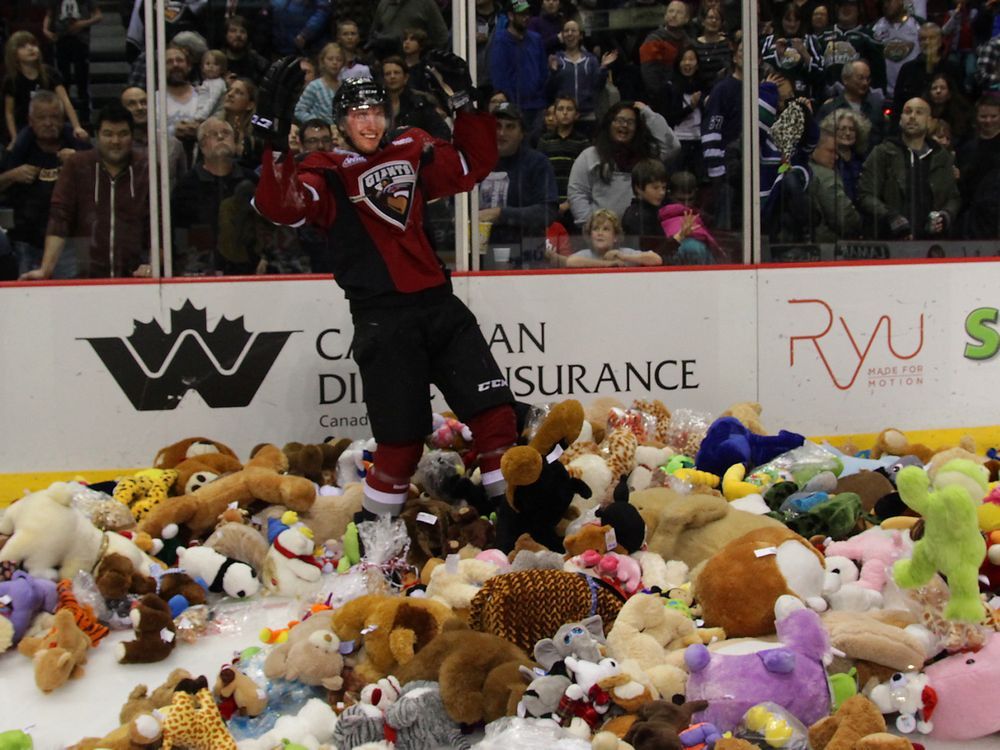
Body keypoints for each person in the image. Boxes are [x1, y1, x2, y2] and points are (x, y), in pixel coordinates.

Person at [253, 67, 519, 530]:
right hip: (383, 321)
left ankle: (513, 522)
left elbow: (470, 166)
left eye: (377, 111)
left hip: (440, 306)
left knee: (497, 418)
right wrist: (274, 141)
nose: (370, 123)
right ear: (341, 122)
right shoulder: (325, 171)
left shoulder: (411, 148)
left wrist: (467, 110)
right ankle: (378, 543)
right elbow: (283, 206)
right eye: (359, 114)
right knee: (400, 444)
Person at [20, 103, 150, 279]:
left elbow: (159, 224)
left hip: (135, 276)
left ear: (132, 136)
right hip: (84, 275)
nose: (115, 141)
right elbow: (60, 218)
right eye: (108, 134)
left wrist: (152, 264)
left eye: (123, 134)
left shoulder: (146, 167)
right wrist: (46, 269)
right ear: (97, 136)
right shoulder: (77, 165)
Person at [0, 90, 90, 278]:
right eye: (42, 118)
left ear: (63, 118)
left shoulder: (79, 146)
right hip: (26, 242)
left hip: (70, 243)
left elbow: (103, 181)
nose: (48, 123)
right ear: (30, 120)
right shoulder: (17, 150)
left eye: (54, 117)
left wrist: (78, 162)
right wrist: (12, 176)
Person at [858, 96, 960, 239]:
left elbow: (953, 198)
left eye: (919, 112)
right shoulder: (883, 152)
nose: (912, 117)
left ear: (929, 121)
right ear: (900, 119)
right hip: (890, 240)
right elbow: (865, 195)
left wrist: (945, 216)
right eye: (907, 112)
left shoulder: (941, 157)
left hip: (932, 245)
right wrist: (891, 217)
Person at [567, 101, 679, 227]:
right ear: (609, 123)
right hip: (601, 236)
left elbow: (672, 147)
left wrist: (648, 113)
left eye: (630, 122)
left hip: (639, 231)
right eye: (619, 120)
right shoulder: (589, 156)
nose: (624, 125)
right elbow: (577, 192)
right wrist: (590, 226)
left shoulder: (647, 156)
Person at [173, 118, 259, 274]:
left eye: (226, 133)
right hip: (201, 274)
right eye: (212, 134)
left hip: (249, 272)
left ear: (235, 141)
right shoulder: (186, 186)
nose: (220, 137)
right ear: (202, 146)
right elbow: (178, 234)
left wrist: (265, 259)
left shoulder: (252, 180)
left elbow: (267, 228)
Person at [478, 102, 559, 265]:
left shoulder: (537, 163)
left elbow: (547, 212)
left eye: (510, 127)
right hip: (478, 259)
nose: (502, 133)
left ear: (522, 133)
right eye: (497, 126)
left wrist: (500, 214)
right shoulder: (475, 163)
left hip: (527, 259)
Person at [3, 31, 88, 146]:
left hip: (53, 123)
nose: (30, 49)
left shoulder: (50, 73)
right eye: (23, 46)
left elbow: (66, 102)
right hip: (26, 126)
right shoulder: (12, 80)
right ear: (14, 54)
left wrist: (77, 127)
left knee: (81, 142)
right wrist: (14, 137)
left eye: (33, 45)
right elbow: (9, 113)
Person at [545, 18, 616, 134]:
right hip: (564, 116)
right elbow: (549, 90)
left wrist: (603, 68)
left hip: (587, 115)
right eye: (566, 31)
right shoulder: (556, 59)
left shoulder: (591, 60)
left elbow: (597, 86)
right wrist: (553, 73)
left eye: (573, 30)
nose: (570, 34)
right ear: (562, 36)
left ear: (580, 35)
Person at [490, 0, 549, 133]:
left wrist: (540, 95)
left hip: (537, 106)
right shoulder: (501, 41)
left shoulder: (536, 39)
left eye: (528, 14)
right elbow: (499, 77)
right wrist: (510, 103)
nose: (526, 17)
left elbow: (543, 71)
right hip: (514, 108)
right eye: (521, 14)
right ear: (511, 15)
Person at [43, 0, 102, 125]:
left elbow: (98, 15)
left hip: (80, 41)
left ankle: (85, 116)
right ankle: (64, 114)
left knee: (82, 79)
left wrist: (83, 24)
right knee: (63, 79)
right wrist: (46, 30)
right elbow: (49, 14)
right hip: (61, 39)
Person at [892, 23, 961, 128]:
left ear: (940, 40)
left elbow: (959, 102)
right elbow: (898, 104)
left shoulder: (952, 69)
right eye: (923, 39)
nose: (927, 42)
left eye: (932, 38)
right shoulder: (908, 69)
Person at [121, 85, 188, 189]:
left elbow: (183, 188)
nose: (140, 108)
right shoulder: (117, 146)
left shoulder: (172, 145)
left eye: (144, 102)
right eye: (132, 104)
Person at [537, 96, 590, 224]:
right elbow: (539, 173)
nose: (565, 112)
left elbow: (586, 178)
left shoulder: (583, 142)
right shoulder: (544, 141)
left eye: (569, 109)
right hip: (549, 203)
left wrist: (569, 203)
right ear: (554, 114)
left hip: (574, 205)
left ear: (577, 115)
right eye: (560, 109)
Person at [548, 208, 661, 268]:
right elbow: (571, 261)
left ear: (616, 236)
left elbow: (656, 259)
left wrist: (623, 257)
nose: (600, 233)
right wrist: (610, 265)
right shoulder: (585, 255)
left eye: (606, 229)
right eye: (596, 229)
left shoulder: (624, 253)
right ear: (589, 235)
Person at [956, 95, 1000, 238]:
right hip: (974, 220)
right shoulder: (967, 148)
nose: (988, 121)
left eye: (993, 116)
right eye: (983, 116)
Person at [760, 3, 825, 99]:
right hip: (776, 96)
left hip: (803, 97)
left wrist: (804, 53)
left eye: (796, 20)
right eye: (788, 20)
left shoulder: (810, 40)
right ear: (781, 20)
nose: (792, 24)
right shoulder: (769, 41)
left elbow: (821, 74)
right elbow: (761, 68)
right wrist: (778, 55)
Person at [817, 60, 886, 147]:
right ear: (845, 79)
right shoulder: (830, 108)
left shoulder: (876, 107)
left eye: (867, 79)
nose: (865, 83)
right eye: (860, 78)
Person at [808, 129, 862, 240]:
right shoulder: (826, 176)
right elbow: (844, 217)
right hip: (826, 246)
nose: (836, 157)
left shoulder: (795, 170)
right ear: (813, 150)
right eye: (831, 151)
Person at [640, 0, 694, 109]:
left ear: (687, 18)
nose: (674, 15)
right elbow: (650, 76)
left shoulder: (689, 42)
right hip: (661, 100)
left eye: (679, 12)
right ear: (665, 15)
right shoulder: (653, 40)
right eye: (671, 11)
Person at [380, 57, 450, 140]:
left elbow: (441, 132)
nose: (392, 77)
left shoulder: (420, 103)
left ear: (406, 77)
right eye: (388, 74)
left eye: (396, 73)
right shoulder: (378, 104)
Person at [664, 46, 706, 178]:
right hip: (678, 140)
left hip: (699, 139)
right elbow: (670, 117)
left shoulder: (703, 86)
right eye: (684, 59)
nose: (687, 63)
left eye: (691, 59)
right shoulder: (670, 87)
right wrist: (690, 107)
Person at [871, 0, 920, 104]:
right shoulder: (875, 28)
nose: (886, 5)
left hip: (913, 93)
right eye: (884, 2)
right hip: (884, 95)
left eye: (890, 1)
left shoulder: (918, 24)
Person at [621, 157, 671, 253]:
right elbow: (650, 253)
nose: (661, 193)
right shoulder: (637, 217)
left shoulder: (652, 211)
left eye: (664, 187)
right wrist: (677, 239)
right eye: (655, 187)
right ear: (639, 187)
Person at [819, 107, 870, 200]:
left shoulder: (862, 159)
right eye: (842, 129)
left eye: (852, 129)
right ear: (832, 131)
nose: (847, 133)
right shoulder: (827, 159)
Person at [294, 42, 345, 125]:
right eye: (330, 59)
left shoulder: (345, 87)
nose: (335, 63)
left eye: (339, 60)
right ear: (322, 61)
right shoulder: (314, 86)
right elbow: (299, 111)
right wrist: (319, 123)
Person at [219, 77, 262, 170]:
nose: (230, 94)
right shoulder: (213, 127)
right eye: (229, 90)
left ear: (250, 105)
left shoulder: (256, 138)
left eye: (238, 92)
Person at [371, 0, 448, 52]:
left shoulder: (426, 3)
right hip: (388, 63)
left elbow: (441, 36)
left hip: (417, 63)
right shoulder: (384, 4)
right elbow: (374, 33)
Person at [221, 15, 270, 86]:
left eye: (242, 31)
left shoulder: (258, 62)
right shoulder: (218, 60)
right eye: (233, 31)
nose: (238, 35)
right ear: (225, 35)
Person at [693, 6, 731, 91]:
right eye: (710, 18)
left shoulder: (727, 44)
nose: (714, 21)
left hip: (722, 89)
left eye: (717, 18)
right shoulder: (694, 45)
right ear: (703, 21)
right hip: (698, 89)